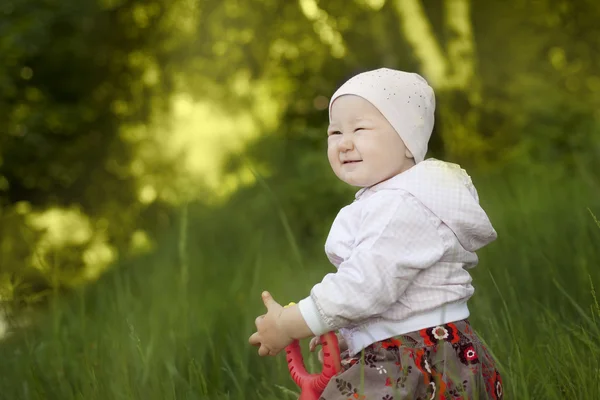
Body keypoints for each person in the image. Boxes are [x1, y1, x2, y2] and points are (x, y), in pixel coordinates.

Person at [248, 68, 504, 399]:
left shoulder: (402, 205)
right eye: (335, 131)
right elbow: (391, 294)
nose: (345, 142)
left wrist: (292, 322)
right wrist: (351, 333)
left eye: (360, 128)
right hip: (423, 348)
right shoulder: (391, 199)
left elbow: (365, 284)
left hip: (413, 358)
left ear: (407, 140)